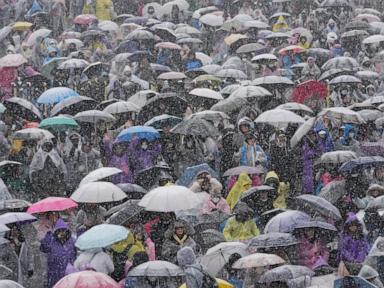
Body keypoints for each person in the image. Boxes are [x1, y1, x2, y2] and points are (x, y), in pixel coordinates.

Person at [40, 219, 76, 288]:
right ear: (56, 232)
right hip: (54, 274)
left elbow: (76, 255)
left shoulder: (72, 241)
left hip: (69, 275)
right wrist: (48, 235)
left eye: (63, 230)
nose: (62, 233)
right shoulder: (51, 241)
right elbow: (43, 248)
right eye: (59, 231)